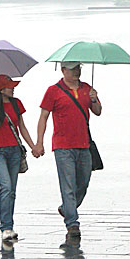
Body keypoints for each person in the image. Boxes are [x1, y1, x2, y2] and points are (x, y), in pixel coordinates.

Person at [36, 62, 102, 245]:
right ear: (63, 70)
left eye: (78, 68)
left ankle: (67, 208)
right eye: (72, 69)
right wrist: (39, 142)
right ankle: (72, 224)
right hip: (63, 146)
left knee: (83, 182)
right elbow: (43, 117)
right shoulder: (53, 91)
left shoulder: (87, 89)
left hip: (84, 145)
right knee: (68, 186)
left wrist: (94, 99)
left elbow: (97, 112)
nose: (76, 72)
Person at [0, 74, 40, 242]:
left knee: (11, 190)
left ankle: (9, 226)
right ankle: (5, 227)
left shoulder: (16, 103)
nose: (13, 88)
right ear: (0, 89)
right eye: (9, 86)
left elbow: (22, 127)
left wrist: (34, 145)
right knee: (5, 186)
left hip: (14, 151)